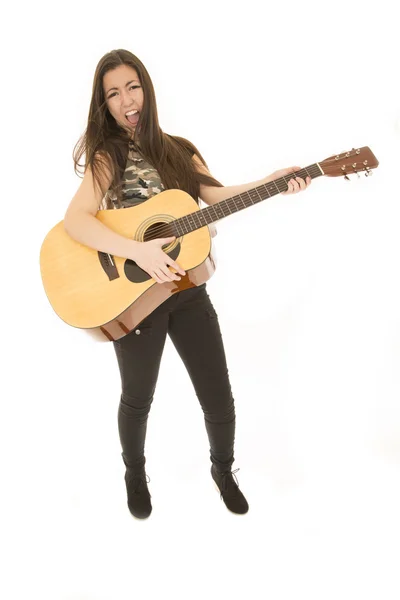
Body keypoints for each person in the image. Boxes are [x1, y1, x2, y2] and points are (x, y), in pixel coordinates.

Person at [63, 49, 311, 519]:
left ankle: (223, 470)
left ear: (147, 89)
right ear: (104, 104)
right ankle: (134, 472)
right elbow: (75, 220)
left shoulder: (180, 149)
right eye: (113, 93)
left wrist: (274, 181)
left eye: (132, 87)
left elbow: (218, 196)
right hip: (135, 298)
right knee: (137, 399)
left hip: (189, 292)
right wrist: (139, 251)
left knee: (219, 394)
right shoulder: (107, 157)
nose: (126, 100)